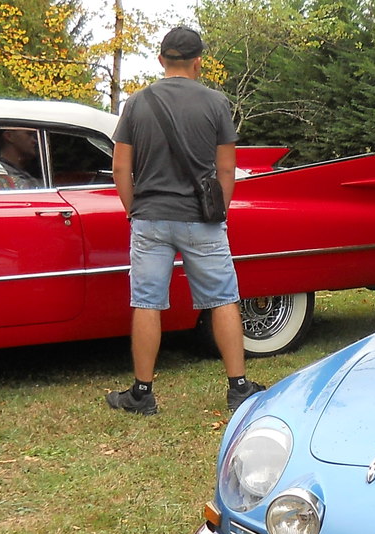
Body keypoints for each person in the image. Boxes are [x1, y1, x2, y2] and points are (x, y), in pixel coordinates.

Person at [106, 26, 263, 416]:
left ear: (161, 60)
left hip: (150, 218)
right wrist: (218, 211)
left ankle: (142, 394)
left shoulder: (137, 103)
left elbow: (120, 167)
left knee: (147, 303)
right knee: (223, 298)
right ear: (198, 62)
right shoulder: (215, 103)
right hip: (201, 219)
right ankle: (238, 388)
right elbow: (226, 169)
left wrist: (133, 209)